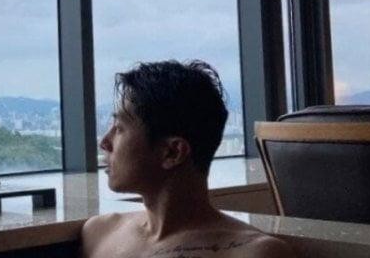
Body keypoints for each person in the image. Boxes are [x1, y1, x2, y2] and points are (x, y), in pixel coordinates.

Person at [81, 60, 294, 258]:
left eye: (119, 128)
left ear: (172, 153)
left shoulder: (254, 253)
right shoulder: (98, 233)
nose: (104, 142)